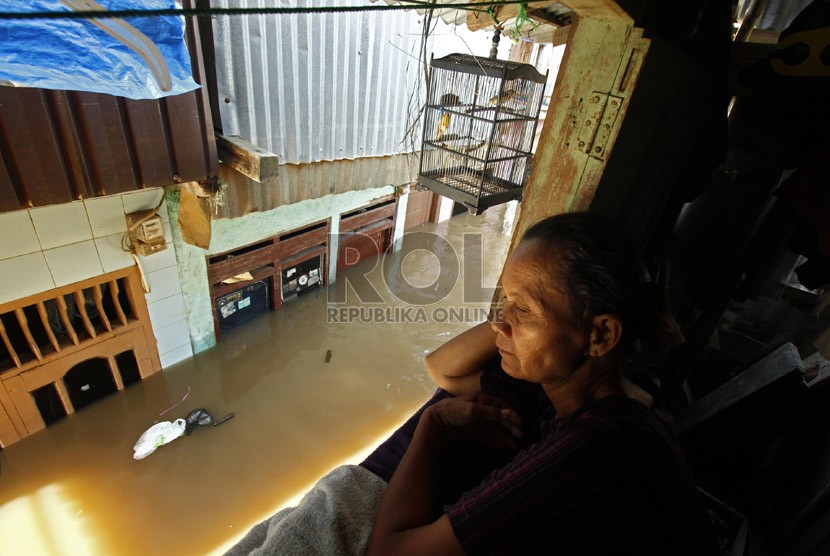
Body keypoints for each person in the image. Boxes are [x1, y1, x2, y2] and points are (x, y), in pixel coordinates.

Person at [366, 212, 722, 555]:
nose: (496, 323)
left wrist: (432, 424)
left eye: (523, 309)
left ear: (601, 334)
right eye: (504, 299)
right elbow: (442, 368)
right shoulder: (567, 395)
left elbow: (387, 553)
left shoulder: (596, 449)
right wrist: (518, 315)